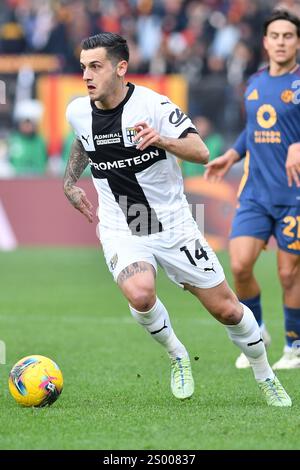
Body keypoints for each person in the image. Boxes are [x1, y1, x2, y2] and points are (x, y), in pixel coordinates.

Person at [63, 32, 291, 406]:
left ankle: (264, 374)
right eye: (84, 67)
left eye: (96, 66)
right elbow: (82, 139)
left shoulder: (154, 106)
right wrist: (70, 181)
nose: (87, 75)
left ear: (121, 68)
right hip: (122, 225)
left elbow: (200, 151)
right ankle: (177, 354)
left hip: (173, 225)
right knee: (140, 293)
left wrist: (161, 140)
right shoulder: (78, 110)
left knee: (228, 309)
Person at [205, 9, 300, 370]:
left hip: (294, 196)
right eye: (274, 35)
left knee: (289, 273)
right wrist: (231, 154)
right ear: (265, 42)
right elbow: (254, 130)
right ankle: (257, 332)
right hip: (255, 194)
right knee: (240, 264)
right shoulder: (255, 83)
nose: (280, 41)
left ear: (297, 42)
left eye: (288, 36)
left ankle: (295, 346)